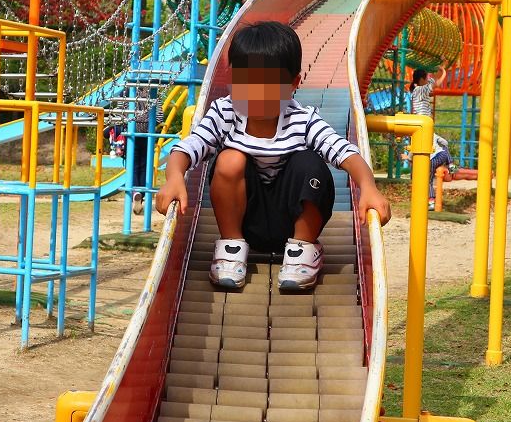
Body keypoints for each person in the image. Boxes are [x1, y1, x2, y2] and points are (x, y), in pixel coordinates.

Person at [155, 21, 391, 291]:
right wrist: (174, 178)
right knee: (230, 159)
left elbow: (344, 151)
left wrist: (369, 187)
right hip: (246, 220)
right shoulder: (225, 113)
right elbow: (189, 147)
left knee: (310, 163)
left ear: (293, 84)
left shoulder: (302, 120)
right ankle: (231, 247)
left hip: (291, 221)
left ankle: (302, 250)